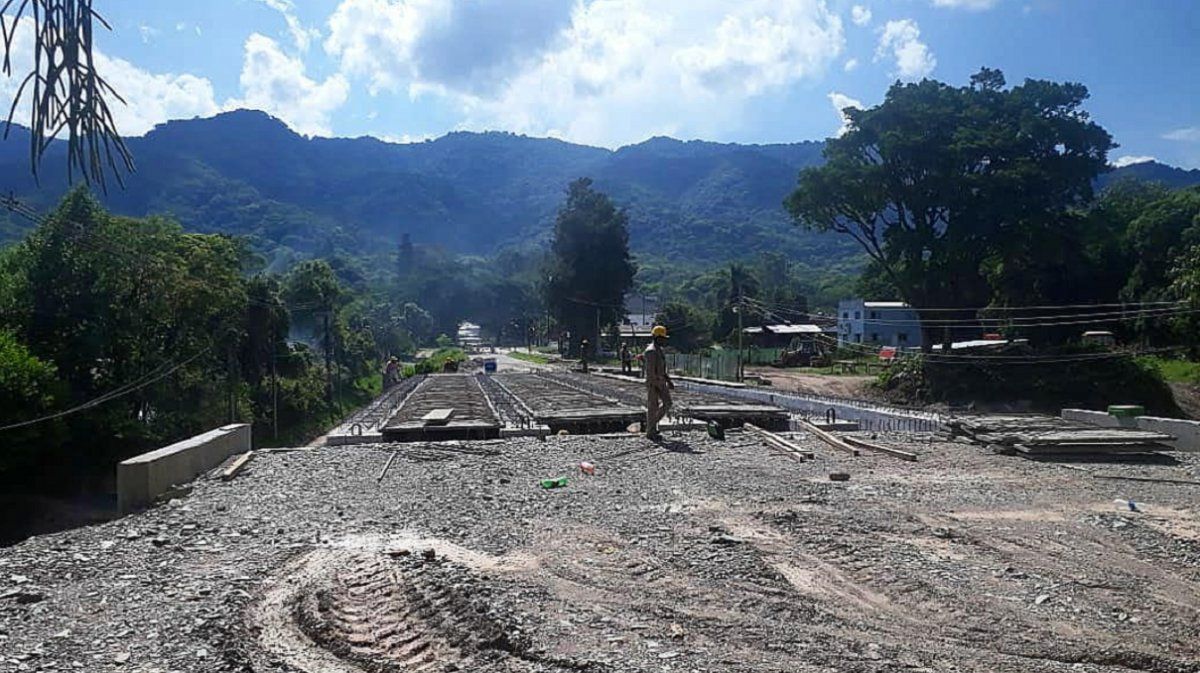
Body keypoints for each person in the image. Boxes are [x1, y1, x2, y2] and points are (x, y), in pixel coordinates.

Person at [643, 325, 674, 440]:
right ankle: (651, 431)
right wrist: (655, 384)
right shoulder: (651, 351)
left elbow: (662, 369)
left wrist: (668, 380)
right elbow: (650, 371)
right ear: (657, 337)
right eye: (663, 338)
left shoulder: (659, 350)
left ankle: (651, 426)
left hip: (661, 381)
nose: (665, 340)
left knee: (668, 403)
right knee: (653, 407)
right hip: (653, 383)